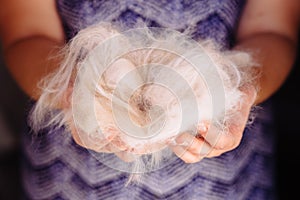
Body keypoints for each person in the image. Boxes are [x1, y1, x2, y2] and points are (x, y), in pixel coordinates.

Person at [0, 0, 299, 199]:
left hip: (225, 179)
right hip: (73, 175)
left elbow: (273, 29)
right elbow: (26, 33)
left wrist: (240, 91)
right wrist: (71, 90)